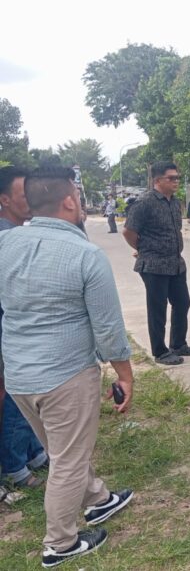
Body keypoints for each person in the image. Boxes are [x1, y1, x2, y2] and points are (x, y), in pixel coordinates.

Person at [0, 166, 134, 568]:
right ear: (71, 201)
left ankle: (98, 499)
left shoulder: (5, 245)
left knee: (64, 449)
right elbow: (109, 329)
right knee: (67, 458)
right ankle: (59, 543)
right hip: (65, 376)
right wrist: (124, 374)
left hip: (20, 375)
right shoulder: (85, 254)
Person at [0, 166, 49, 490]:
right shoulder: (6, 238)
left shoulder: (20, 232)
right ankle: (15, 466)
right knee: (13, 397)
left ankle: (33, 451)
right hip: (9, 329)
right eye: (23, 195)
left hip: (21, 329)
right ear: (4, 200)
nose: (31, 200)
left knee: (26, 395)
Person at [123, 162, 190, 365]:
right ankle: (160, 351)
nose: (176, 181)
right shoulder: (144, 202)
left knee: (182, 302)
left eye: (177, 177)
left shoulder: (174, 202)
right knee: (157, 308)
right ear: (157, 180)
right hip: (154, 264)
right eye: (171, 178)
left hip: (176, 263)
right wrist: (142, 250)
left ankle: (178, 343)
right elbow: (129, 231)